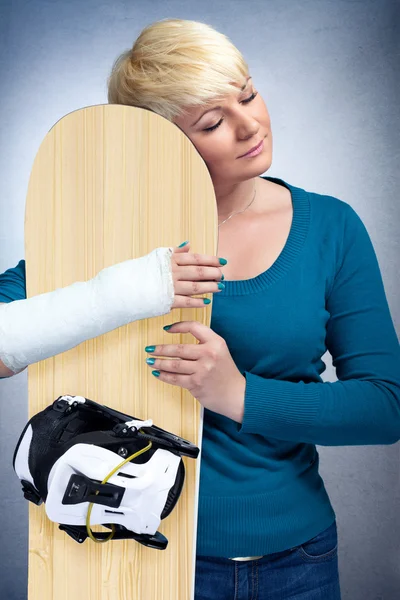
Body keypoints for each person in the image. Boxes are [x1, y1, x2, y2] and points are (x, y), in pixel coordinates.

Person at [2, 17, 400, 600]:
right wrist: (114, 295)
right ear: (161, 142)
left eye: (248, 94)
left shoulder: (331, 227)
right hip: (138, 561)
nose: (250, 126)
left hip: (296, 560)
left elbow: (385, 406)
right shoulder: (105, 245)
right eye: (212, 122)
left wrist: (239, 394)